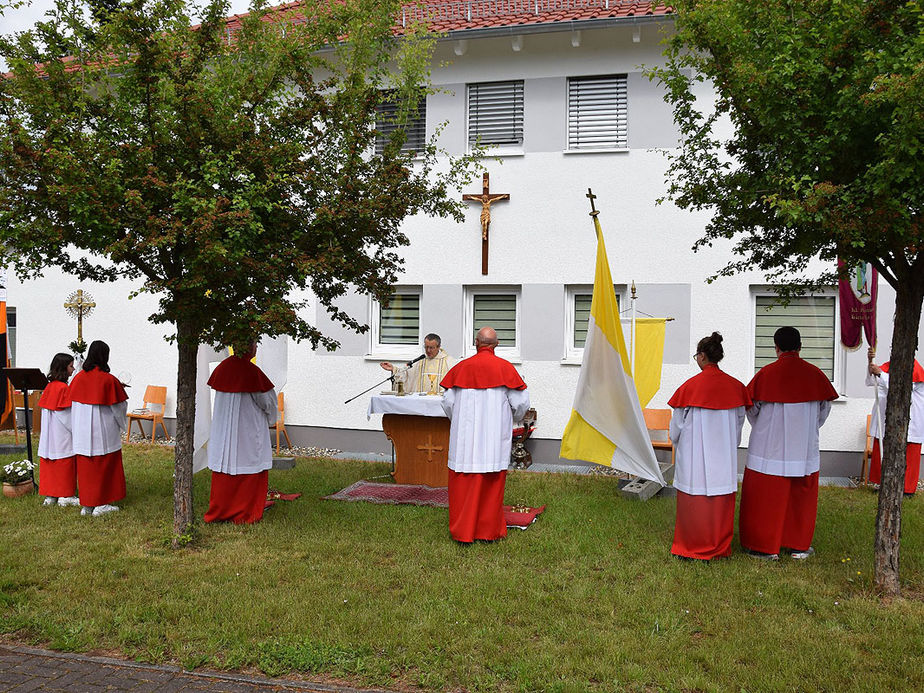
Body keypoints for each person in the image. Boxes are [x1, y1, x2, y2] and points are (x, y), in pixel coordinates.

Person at [739, 326, 838, 560]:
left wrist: (764, 428)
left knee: (766, 499)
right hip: (804, 449)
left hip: (768, 449)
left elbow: (751, 409)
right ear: (800, 347)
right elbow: (823, 411)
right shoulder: (815, 375)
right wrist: (807, 429)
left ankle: (764, 547)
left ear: (776, 348)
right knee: (800, 499)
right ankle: (798, 546)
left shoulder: (766, 374)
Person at [439, 327, 529, 543]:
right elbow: (520, 404)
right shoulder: (506, 369)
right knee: (491, 484)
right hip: (493, 440)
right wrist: (511, 417)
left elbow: (448, 403)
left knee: (463, 486)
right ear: (496, 344)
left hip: (465, 442)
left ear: (476, 343)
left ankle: (463, 532)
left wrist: (460, 420)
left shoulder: (460, 368)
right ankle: (488, 532)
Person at [668, 332, 751, 561]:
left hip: (693, 455)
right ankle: (718, 547)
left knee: (693, 500)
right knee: (720, 499)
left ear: (702, 357)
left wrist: (679, 443)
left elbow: (676, 427)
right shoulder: (735, 387)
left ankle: (689, 547)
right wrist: (728, 444)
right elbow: (738, 423)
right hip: (723, 456)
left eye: (696, 355)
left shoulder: (689, 387)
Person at [204, 341, 278, 524]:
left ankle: (222, 511)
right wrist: (271, 419)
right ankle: (245, 512)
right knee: (248, 463)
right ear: (250, 348)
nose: (257, 348)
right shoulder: (252, 372)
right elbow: (267, 402)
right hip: (247, 430)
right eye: (255, 345)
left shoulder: (223, 368)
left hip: (224, 431)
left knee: (226, 466)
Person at [69, 340, 128, 516]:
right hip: (103, 431)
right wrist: (122, 425)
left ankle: (87, 504)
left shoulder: (78, 378)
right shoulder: (108, 380)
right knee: (104, 465)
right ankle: (101, 504)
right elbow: (118, 408)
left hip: (82, 431)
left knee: (86, 468)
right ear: (105, 356)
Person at [866, 347, 923, 495]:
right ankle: (882, 484)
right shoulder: (887, 367)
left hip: (910, 418)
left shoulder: (915, 369)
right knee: (883, 449)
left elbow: (903, 389)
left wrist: (881, 374)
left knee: (909, 454)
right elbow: (872, 382)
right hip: (885, 415)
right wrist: (870, 363)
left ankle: (907, 489)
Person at [37, 352, 79, 507]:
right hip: (62, 432)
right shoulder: (62, 388)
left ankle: (51, 495)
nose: (73, 369)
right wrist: (77, 429)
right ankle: (65, 494)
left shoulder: (49, 386)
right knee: (64, 459)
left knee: (50, 460)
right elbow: (67, 416)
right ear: (63, 368)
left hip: (49, 433)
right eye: (70, 366)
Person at [380, 333, 454, 394]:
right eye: (426, 347)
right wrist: (393, 369)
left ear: (438, 347)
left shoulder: (448, 361)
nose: (428, 350)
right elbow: (407, 375)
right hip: (421, 402)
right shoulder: (420, 360)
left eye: (431, 348)